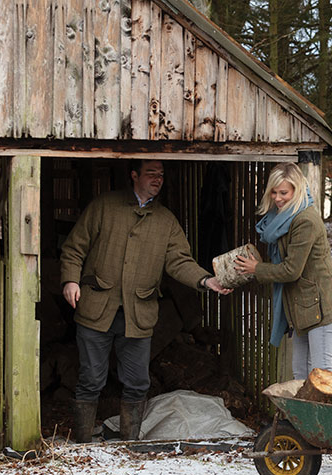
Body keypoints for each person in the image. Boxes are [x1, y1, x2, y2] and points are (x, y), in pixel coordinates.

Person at [60, 160, 231, 443]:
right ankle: (82, 444)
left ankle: (130, 443)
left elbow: (180, 261)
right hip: (96, 308)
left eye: (161, 175)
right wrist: (70, 280)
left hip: (138, 313)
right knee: (91, 379)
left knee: (138, 383)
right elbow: (74, 248)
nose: (158, 179)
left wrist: (205, 280)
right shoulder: (104, 206)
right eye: (151, 173)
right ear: (134, 175)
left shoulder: (166, 221)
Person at [234, 162, 332, 380]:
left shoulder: (305, 220)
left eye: (284, 192)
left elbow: (291, 270)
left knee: (323, 375)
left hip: (321, 307)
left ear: (296, 190)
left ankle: (326, 415)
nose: (278, 198)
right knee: (300, 375)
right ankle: (301, 415)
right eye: (274, 192)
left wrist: (257, 269)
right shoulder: (281, 219)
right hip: (302, 307)